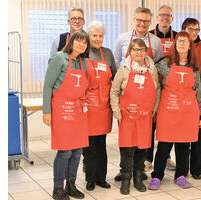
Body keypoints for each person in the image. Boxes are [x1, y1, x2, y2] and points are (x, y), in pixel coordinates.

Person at [148, 31, 201, 190]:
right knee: (164, 146)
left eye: (185, 42)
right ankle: (156, 176)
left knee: (183, 147)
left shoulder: (194, 66)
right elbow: (149, 70)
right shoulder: (165, 62)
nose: (182, 44)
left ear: (190, 46)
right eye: (179, 41)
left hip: (188, 111)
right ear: (175, 44)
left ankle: (180, 175)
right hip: (169, 111)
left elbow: (199, 90)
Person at [113, 6, 163, 182]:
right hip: (126, 98)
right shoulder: (122, 38)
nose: (142, 24)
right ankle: (124, 169)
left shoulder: (156, 42)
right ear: (134, 20)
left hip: (145, 100)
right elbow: (117, 63)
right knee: (126, 139)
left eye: (146, 21)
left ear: (150, 22)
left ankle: (139, 170)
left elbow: (155, 66)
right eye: (139, 20)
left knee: (144, 138)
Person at [43, 31, 90, 200]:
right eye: (79, 41)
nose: (81, 45)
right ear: (71, 41)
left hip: (78, 111)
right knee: (65, 152)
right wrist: (46, 111)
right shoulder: (59, 58)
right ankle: (57, 188)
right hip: (61, 110)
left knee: (77, 151)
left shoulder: (83, 62)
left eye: (85, 43)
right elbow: (48, 86)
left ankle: (71, 185)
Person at [110, 38, 161, 195]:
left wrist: (154, 108)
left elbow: (157, 89)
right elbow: (114, 90)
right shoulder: (124, 68)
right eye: (135, 50)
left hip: (145, 117)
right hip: (127, 117)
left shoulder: (151, 69)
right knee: (128, 150)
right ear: (130, 51)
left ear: (145, 52)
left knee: (142, 149)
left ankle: (138, 178)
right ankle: (126, 179)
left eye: (141, 50)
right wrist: (117, 111)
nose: (138, 53)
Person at [83, 21, 117, 191]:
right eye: (94, 35)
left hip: (104, 106)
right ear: (89, 37)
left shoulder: (108, 53)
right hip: (87, 106)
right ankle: (90, 178)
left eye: (100, 36)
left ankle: (101, 178)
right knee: (89, 146)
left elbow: (116, 78)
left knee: (102, 144)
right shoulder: (82, 53)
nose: (97, 38)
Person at [145, 4, 178, 172]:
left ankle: (167, 157)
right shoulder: (149, 36)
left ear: (172, 18)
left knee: (167, 124)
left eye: (169, 15)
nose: (165, 18)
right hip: (152, 84)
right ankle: (147, 158)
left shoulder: (178, 36)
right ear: (157, 17)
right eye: (162, 15)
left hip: (171, 86)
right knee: (151, 123)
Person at [181, 18, 201, 179]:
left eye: (196, 29)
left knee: (199, 134)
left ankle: (196, 168)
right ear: (183, 30)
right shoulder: (179, 46)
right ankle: (182, 168)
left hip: (199, 97)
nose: (194, 32)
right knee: (182, 134)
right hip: (181, 97)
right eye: (190, 29)